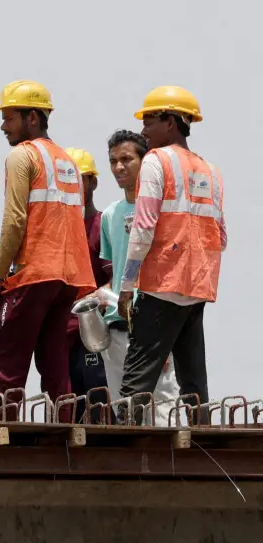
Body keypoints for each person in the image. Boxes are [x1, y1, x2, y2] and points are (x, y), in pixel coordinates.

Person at [0, 81, 94, 420]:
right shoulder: (68, 162)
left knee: (9, 360)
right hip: (67, 277)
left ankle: (2, 431)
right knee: (54, 361)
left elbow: (15, 220)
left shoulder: (22, 156)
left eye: (9, 117)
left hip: (34, 273)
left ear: (32, 117)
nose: (3, 125)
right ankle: (66, 430)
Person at [118, 87, 226, 425]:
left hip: (162, 282)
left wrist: (126, 285)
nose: (144, 130)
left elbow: (144, 228)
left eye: (150, 120)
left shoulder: (156, 161)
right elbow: (221, 238)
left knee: (137, 378)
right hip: (197, 284)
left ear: (172, 122)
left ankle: (120, 451)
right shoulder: (211, 171)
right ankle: (202, 442)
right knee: (193, 380)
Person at [98, 130, 180, 423]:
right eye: (113, 161)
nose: (119, 167)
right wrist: (100, 295)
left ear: (145, 162)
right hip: (117, 325)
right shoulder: (109, 215)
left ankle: (170, 467)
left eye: (127, 159)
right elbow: (115, 271)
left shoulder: (163, 211)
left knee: (162, 403)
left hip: (153, 320)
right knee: (124, 407)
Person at [63, 148, 113, 422]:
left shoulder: (102, 224)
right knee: (65, 400)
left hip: (93, 332)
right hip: (61, 332)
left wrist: (94, 299)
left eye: (79, 179)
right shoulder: (58, 229)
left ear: (93, 182)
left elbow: (116, 277)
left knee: (97, 396)